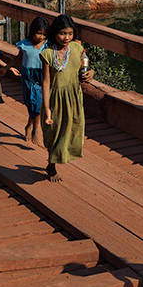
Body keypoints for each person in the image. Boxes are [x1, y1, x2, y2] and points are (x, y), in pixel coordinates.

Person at [40, 14, 94, 182]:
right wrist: (47, 109)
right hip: (55, 98)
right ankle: (52, 164)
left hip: (73, 97)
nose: (66, 37)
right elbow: (46, 82)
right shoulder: (47, 54)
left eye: (70, 34)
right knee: (54, 132)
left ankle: (54, 161)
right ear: (55, 33)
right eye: (63, 33)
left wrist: (90, 73)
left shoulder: (77, 49)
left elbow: (84, 69)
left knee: (71, 131)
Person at [10, 17, 50, 146]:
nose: (41, 37)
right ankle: (29, 124)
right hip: (27, 77)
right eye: (39, 33)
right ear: (32, 31)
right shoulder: (25, 45)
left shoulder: (47, 46)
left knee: (38, 105)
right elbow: (18, 59)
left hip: (41, 77)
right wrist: (7, 68)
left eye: (44, 34)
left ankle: (35, 130)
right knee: (30, 103)